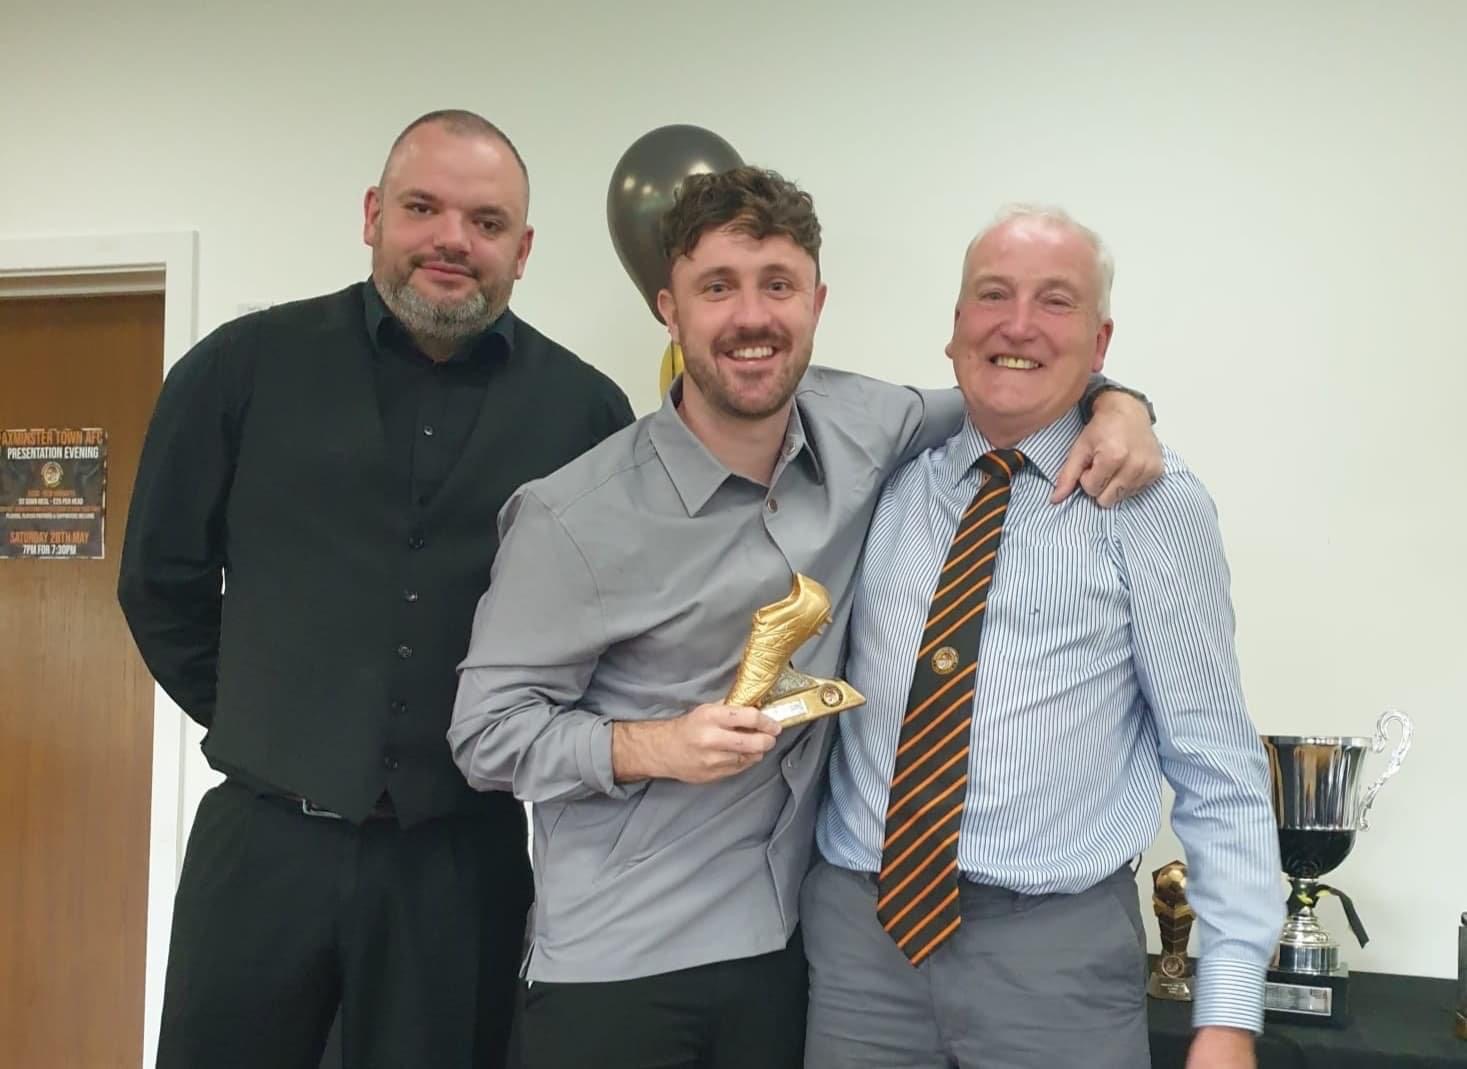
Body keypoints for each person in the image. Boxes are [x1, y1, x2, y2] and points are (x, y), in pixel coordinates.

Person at [447, 168, 1162, 1069]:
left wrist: (1119, 403)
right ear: (669, 309)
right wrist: (650, 745)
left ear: (815, 301)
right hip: (617, 964)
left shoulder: (864, 424)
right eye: (717, 287)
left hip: (789, 953)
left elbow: (1017, 377)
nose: (752, 317)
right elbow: (483, 737)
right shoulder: (572, 515)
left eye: (777, 285)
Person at [117, 109, 633, 1069]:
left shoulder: (587, 412)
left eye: (485, 222)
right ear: (371, 216)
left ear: (523, 250)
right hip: (261, 849)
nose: (451, 239)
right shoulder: (239, 369)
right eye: (422, 207)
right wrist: (273, 720)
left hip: (461, 859)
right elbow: (160, 581)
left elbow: (610, 629)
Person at [805, 205, 1282, 1069]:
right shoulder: (880, 477)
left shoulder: (1153, 503)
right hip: (857, 948)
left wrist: (1228, 1013)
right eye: (993, 295)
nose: (1017, 324)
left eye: (1054, 301)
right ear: (954, 328)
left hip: (1055, 960)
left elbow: (1216, 763)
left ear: (1099, 343)